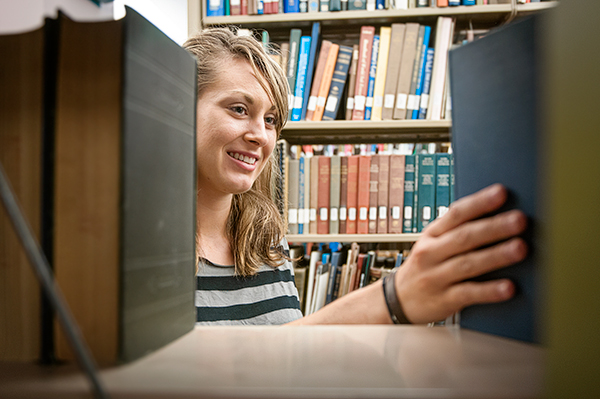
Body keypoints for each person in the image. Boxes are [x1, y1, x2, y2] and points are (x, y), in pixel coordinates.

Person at [183, 28, 528, 326]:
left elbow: (284, 359)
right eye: (239, 109)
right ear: (179, 106)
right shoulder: (137, 250)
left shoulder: (266, 241)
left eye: (271, 119)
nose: (261, 135)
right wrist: (391, 300)